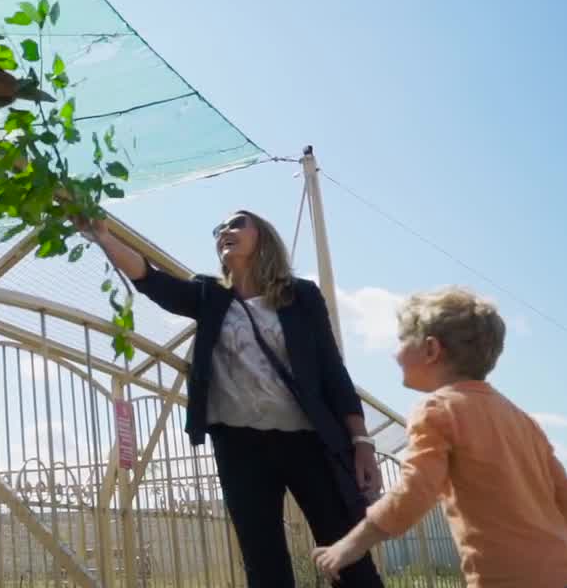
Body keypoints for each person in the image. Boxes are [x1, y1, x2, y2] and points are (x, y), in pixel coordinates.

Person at [76, 209, 385, 587]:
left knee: (346, 550)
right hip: (240, 445)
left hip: (308, 441)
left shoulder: (300, 296)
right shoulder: (209, 296)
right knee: (262, 560)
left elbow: (332, 371)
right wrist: (104, 237)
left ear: (263, 236)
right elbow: (149, 279)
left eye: (237, 223)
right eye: (219, 228)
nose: (225, 231)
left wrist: (362, 442)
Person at [312, 287, 567, 588]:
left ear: (431, 350)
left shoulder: (438, 410)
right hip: (565, 573)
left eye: (402, 341)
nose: (393, 352)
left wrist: (349, 545)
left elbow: (415, 493)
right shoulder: (520, 419)